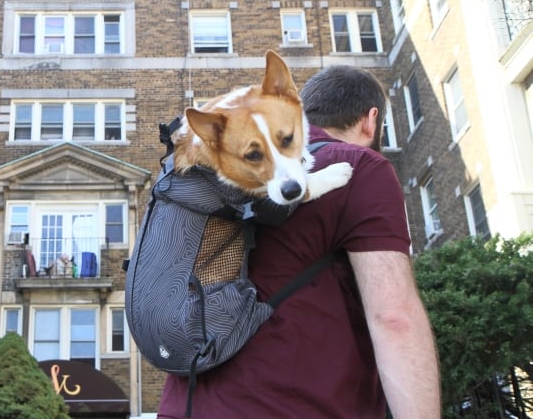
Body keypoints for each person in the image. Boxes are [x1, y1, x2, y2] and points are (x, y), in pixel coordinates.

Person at [156, 65, 441, 418]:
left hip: (184, 404)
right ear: (371, 121)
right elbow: (394, 317)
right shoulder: (362, 168)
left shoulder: (221, 170)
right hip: (292, 405)